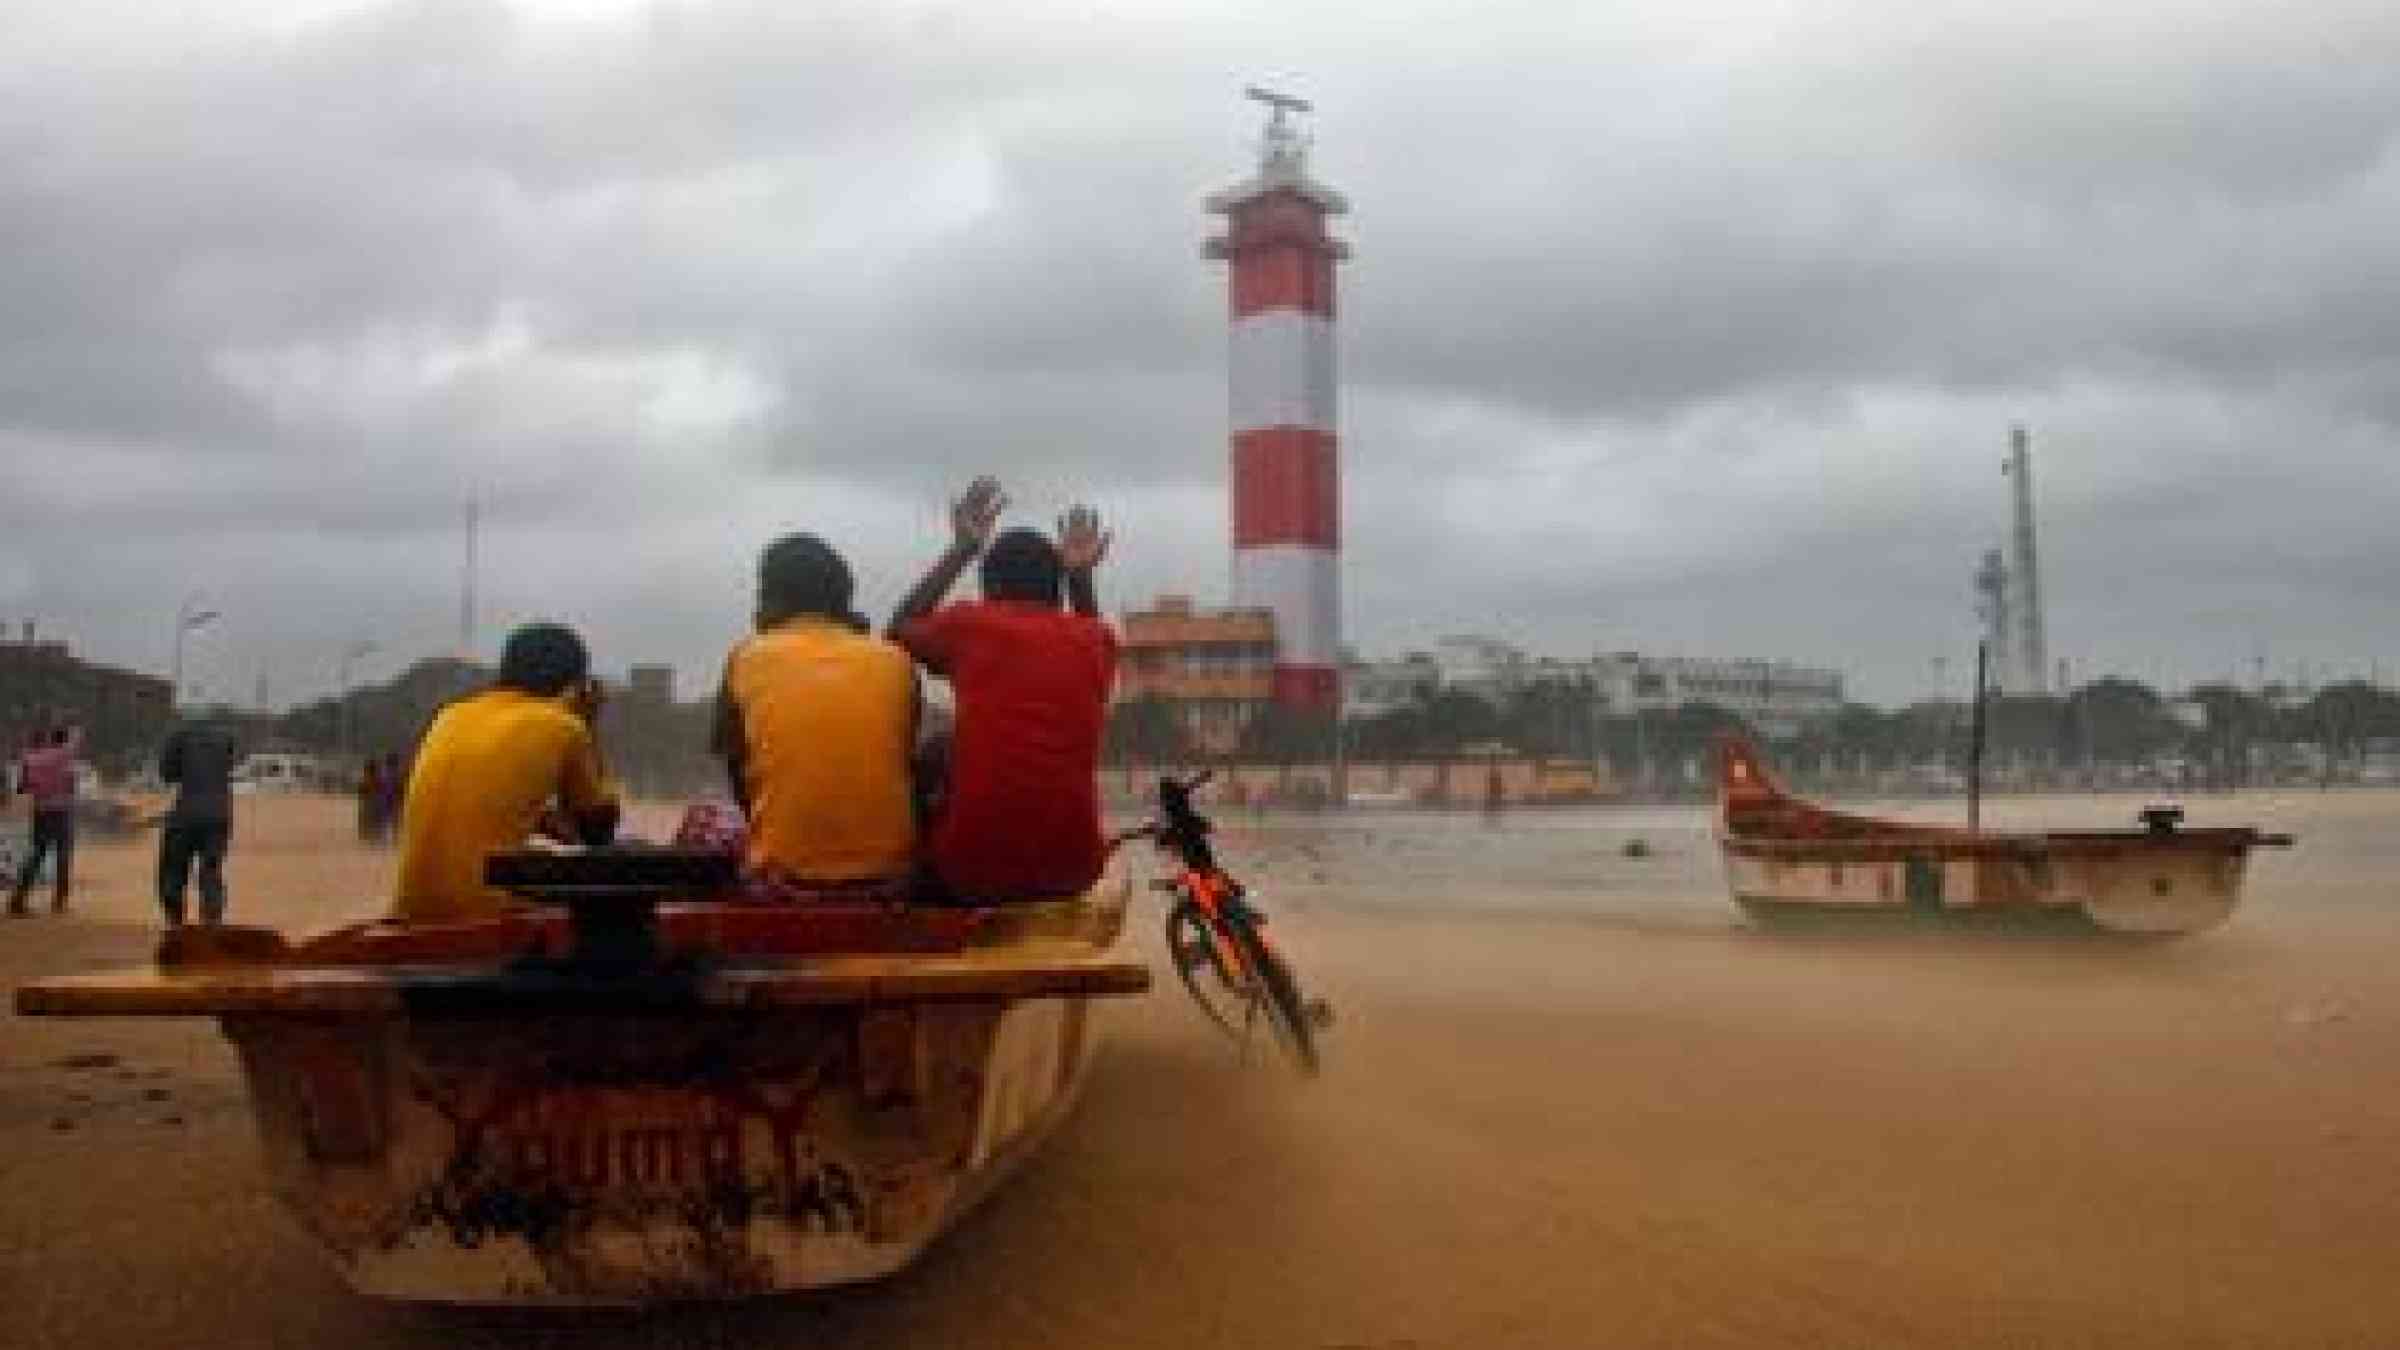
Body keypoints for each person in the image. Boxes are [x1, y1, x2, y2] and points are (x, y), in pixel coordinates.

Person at [888, 477, 1118, 900]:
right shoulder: (1095, 639)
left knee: (937, 748)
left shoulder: (970, 624)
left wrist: (961, 549)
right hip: (1074, 869)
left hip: (969, 870)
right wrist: (1081, 576)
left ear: (988, 588)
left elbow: (898, 630)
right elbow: (1093, 632)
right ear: (1058, 588)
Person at [711, 533, 919, 886]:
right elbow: (900, 755)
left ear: (771, 597)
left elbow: (737, 766)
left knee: (705, 818)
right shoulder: (895, 660)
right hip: (890, 881)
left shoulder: (745, 656)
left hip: (782, 880)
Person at [392, 623, 621, 924]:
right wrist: (589, 725)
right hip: (483, 914)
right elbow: (599, 832)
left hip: (411, 908)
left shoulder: (450, 715)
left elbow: (480, 802)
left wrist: (541, 822)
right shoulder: (564, 726)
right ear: (575, 683)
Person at [158, 713, 241, 926]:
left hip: (186, 815)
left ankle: (175, 922)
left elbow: (167, 774)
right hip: (219, 816)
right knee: (211, 871)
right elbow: (229, 766)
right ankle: (212, 922)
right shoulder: (225, 741)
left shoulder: (178, 739)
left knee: (173, 870)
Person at [9, 724, 81, 915]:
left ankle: (18, 899)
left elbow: (21, 788)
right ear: (64, 741)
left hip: (40, 810)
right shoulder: (65, 756)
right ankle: (59, 902)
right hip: (61, 811)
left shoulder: (30, 759)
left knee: (36, 854)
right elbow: (71, 784)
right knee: (63, 854)